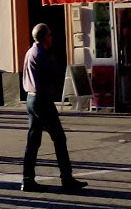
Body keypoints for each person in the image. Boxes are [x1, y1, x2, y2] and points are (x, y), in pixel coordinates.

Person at [20, 24, 87, 193]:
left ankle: (27, 179)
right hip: (42, 100)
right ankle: (66, 178)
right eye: (50, 34)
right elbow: (53, 76)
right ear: (44, 37)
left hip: (31, 98)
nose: (52, 37)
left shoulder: (30, 52)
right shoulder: (41, 54)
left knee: (33, 140)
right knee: (59, 138)